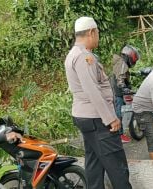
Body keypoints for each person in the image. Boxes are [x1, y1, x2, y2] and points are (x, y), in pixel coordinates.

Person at [64, 16, 132, 189]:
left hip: (85, 117)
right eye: (98, 33)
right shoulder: (84, 57)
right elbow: (92, 90)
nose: (98, 37)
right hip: (97, 119)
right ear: (91, 32)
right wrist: (111, 118)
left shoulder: (73, 54)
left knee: (94, 163)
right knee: (117, 165)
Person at [111, 45, 140, 143]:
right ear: (130, 56)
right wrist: (124, 87)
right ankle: (119, 135)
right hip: (117, 93)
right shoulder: (122, 64)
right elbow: (120, 79)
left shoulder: (120, 62)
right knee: (118, 114)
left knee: (117, 112)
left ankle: (118, 133)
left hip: (114, 91)